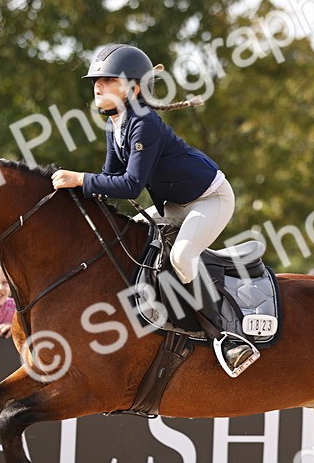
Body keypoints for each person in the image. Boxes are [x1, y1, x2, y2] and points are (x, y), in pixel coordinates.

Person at [50, 43, 259, 377]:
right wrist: (74, 195)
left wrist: (80, 179)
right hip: (175, 204)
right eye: (96, 81)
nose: (98, 86)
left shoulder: (144, 123)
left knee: (181, 257)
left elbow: (130, 185)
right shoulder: (115, 124)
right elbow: (108, 178)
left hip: (211, 199)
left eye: (108, 80)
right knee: (126, 237)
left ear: (133, 89)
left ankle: (226, 336)